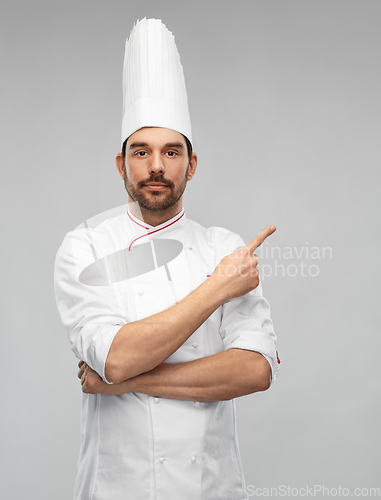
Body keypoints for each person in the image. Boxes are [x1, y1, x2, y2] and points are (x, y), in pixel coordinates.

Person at [54, 18, 279, 500]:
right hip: (117, 489)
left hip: (209, 488)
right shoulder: (85, 245)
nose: (156, 166)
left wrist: (125, 384)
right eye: (142, 151)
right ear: (122, 165)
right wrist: (217, 288)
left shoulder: (223, 246)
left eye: (171, 151)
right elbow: (116, 357)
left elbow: (254, 371)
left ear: (191, 165)